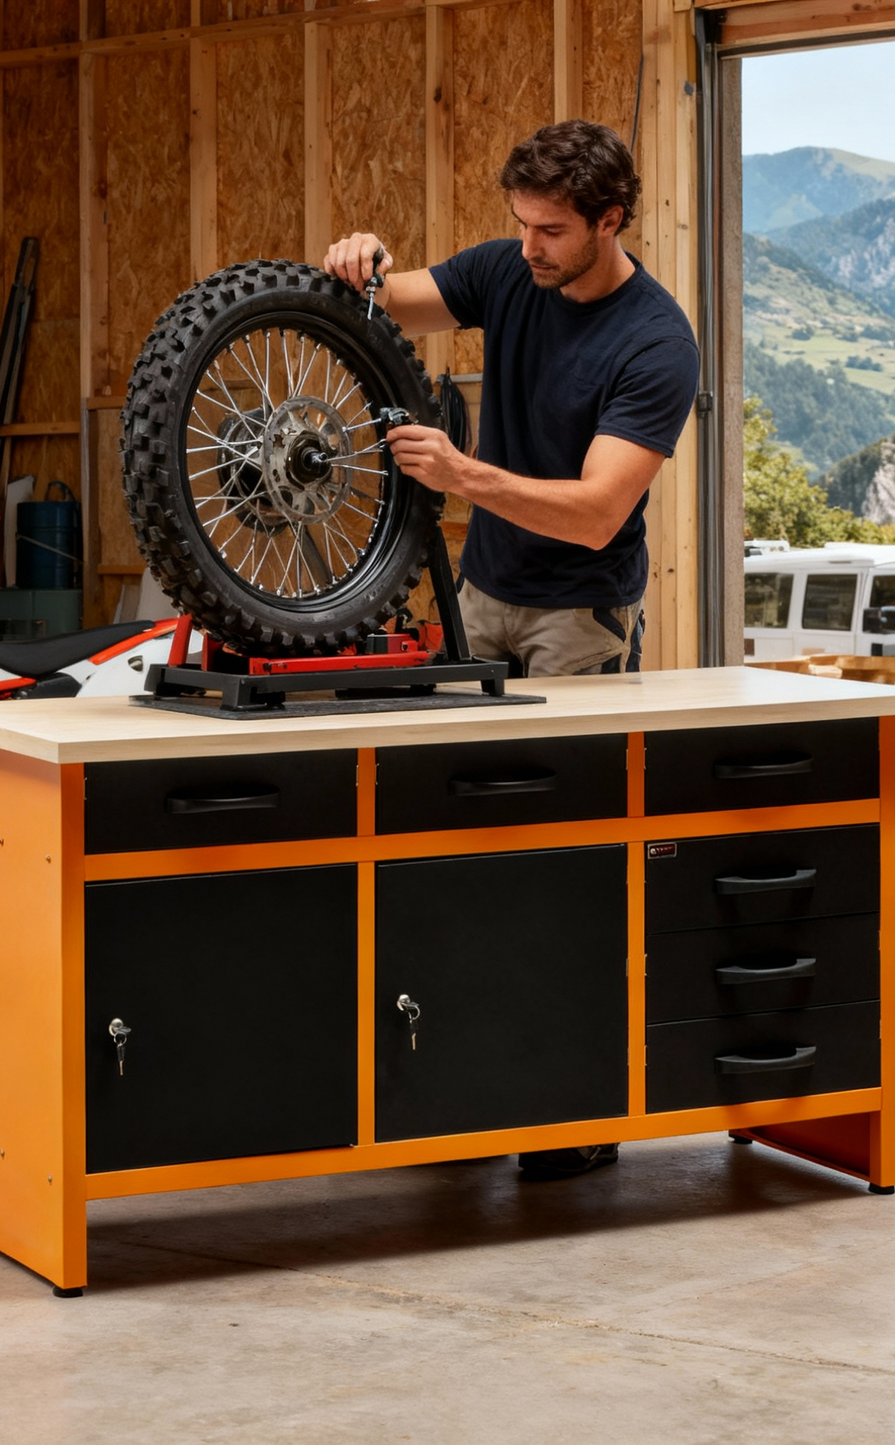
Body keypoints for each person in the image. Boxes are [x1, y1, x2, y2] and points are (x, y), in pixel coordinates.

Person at [325, 119, 699, 1178]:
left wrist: (462, 475)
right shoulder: (507, 272)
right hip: (479, 597)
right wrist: (358, 259)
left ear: (608, 221)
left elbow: (590, 512)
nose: (528, 248)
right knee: (451, 846)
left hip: (577, 616)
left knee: (559, 862)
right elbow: (389, 298)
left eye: (549, 231)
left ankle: (570, 1110)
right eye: (520, 226)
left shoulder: (654, 341)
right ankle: (464, 1081)